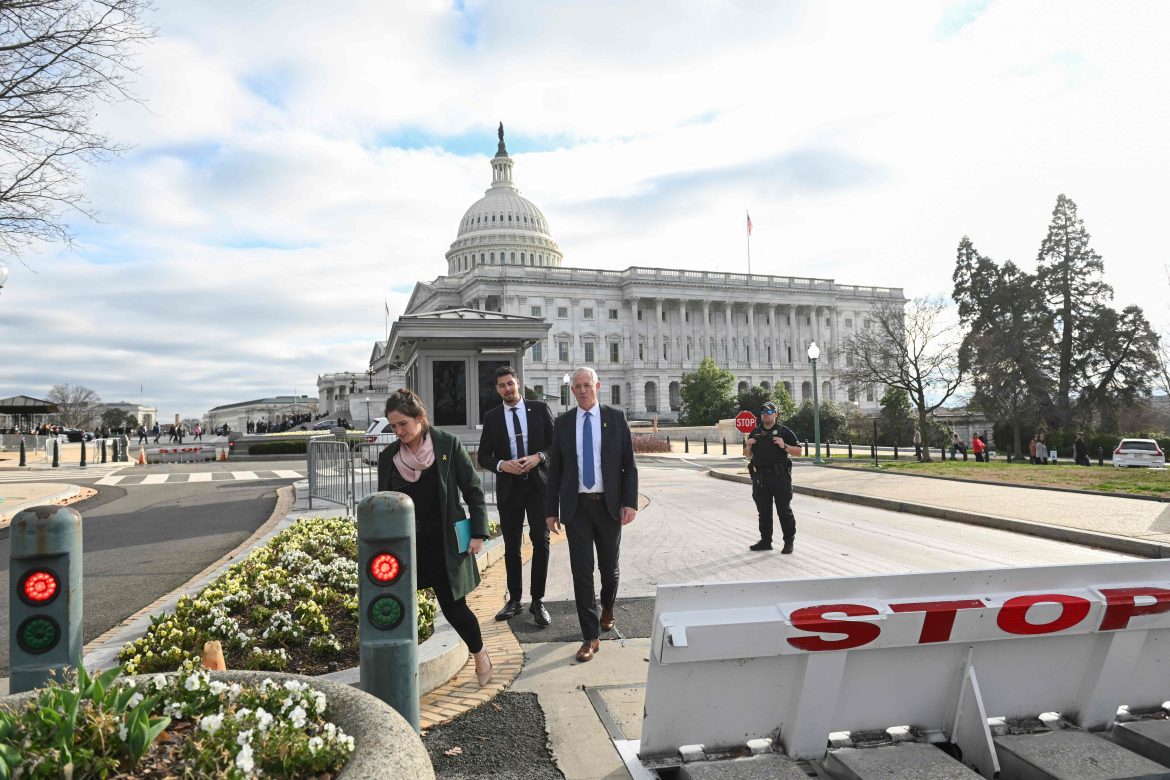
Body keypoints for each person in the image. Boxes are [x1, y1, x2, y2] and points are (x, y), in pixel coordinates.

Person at [376, 388, 494, 686]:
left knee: (454, 607)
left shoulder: (447, 444)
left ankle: (479, 654)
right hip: (404, 548)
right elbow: (383, 503)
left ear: (420, 418)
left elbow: (473, 490)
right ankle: (403, 673)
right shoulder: (388, 456)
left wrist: (478, 532)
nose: (398, 431)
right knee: (399, 608)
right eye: (393, 426)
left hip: (442, 544)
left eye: (403, 424)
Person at [545, 367, 638, 663]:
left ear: (598, 386)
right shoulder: (563, 423)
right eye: (577, 387)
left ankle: (607, 606)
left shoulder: (615, 418)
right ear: (572, 390)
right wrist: (551, 510)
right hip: (577, 509)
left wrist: (630, 503)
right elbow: (555, 470)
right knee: (581, 572)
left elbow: (629, 465)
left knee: (609, 568)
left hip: (609, 507)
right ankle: (590, 636)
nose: (583, 390)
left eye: (587, 385)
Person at [477, 366, 555, 626]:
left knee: (540, 541)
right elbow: (483, 456)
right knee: (511, 546)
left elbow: (555, 446)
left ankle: (538, 601)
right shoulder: (492, 417)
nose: (507, 389)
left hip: (538, 487)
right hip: (510, 489)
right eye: (501, 386)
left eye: (510, 383)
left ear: (518, 383)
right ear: (497, 389)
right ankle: (515, 600)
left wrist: (539, 457)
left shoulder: (540, 409)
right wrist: (502, 465)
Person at [744, 401, 802, 553]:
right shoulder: (755, 432)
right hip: (760, 478)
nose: (765, 414)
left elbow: (799, 452)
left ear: (776, 414)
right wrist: (748, 446)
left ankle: (788, 542)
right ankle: (765, 541)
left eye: (769, 412)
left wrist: (784, 446)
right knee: (764, 511)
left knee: (784, 511)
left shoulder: (784, 431)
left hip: (780, 477)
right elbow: (747, 455)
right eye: (763, 412)